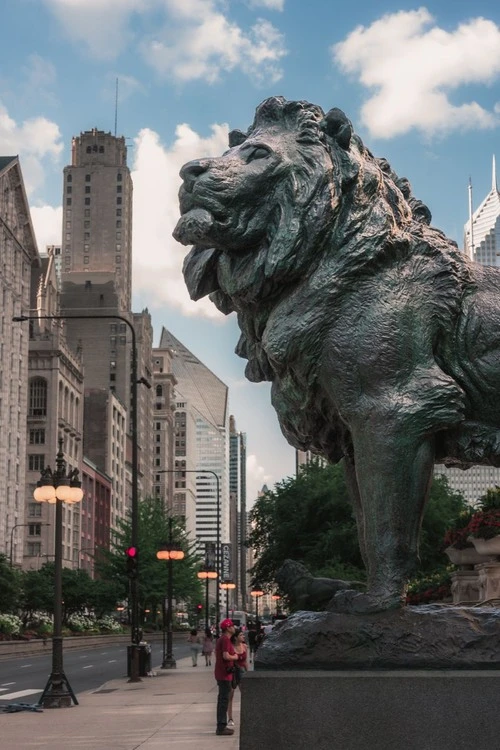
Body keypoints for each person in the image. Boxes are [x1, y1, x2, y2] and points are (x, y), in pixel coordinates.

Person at [214, 618, 238, 736]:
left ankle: (221, 725)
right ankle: (221, 727)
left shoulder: (222, 639)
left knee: (223, 699)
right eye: (232, 626)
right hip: (224, 674)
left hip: (222, 673)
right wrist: (236, 657)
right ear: (228, 628)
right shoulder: (225, 640)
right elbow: (226, 656)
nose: (234, 627)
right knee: (224, 700)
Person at [227, 628, 248, 728]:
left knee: (245, 694)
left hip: (242, 671)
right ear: (235, 638)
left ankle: (246, 716)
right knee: (230, 695)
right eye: (241, 635)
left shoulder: (244, 646)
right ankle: (230, 717)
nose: (243, 636)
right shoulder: (231, 647)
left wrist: (248, 673)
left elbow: (245, 662)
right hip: (233, 672)